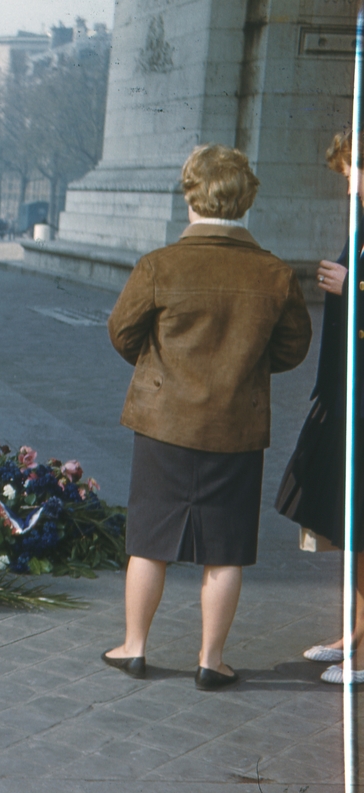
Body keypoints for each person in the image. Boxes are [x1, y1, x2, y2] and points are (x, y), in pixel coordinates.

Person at [102, 144, 312, 691]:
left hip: (163, 424)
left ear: (190, 195)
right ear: (247, 200)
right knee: (225, 550)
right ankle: (211, 659)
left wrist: (165, 368)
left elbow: (123, 334)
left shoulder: (159, 265)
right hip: (235, 429)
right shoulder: (275, 274)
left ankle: (134, 647)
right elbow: (292, 351)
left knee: (149, 541)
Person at [275, 129, 364, 684]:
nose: (350, 182)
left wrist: (353, 284)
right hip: (347, 392)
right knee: (351, 520)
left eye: (355, 169)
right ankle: (355, 630)